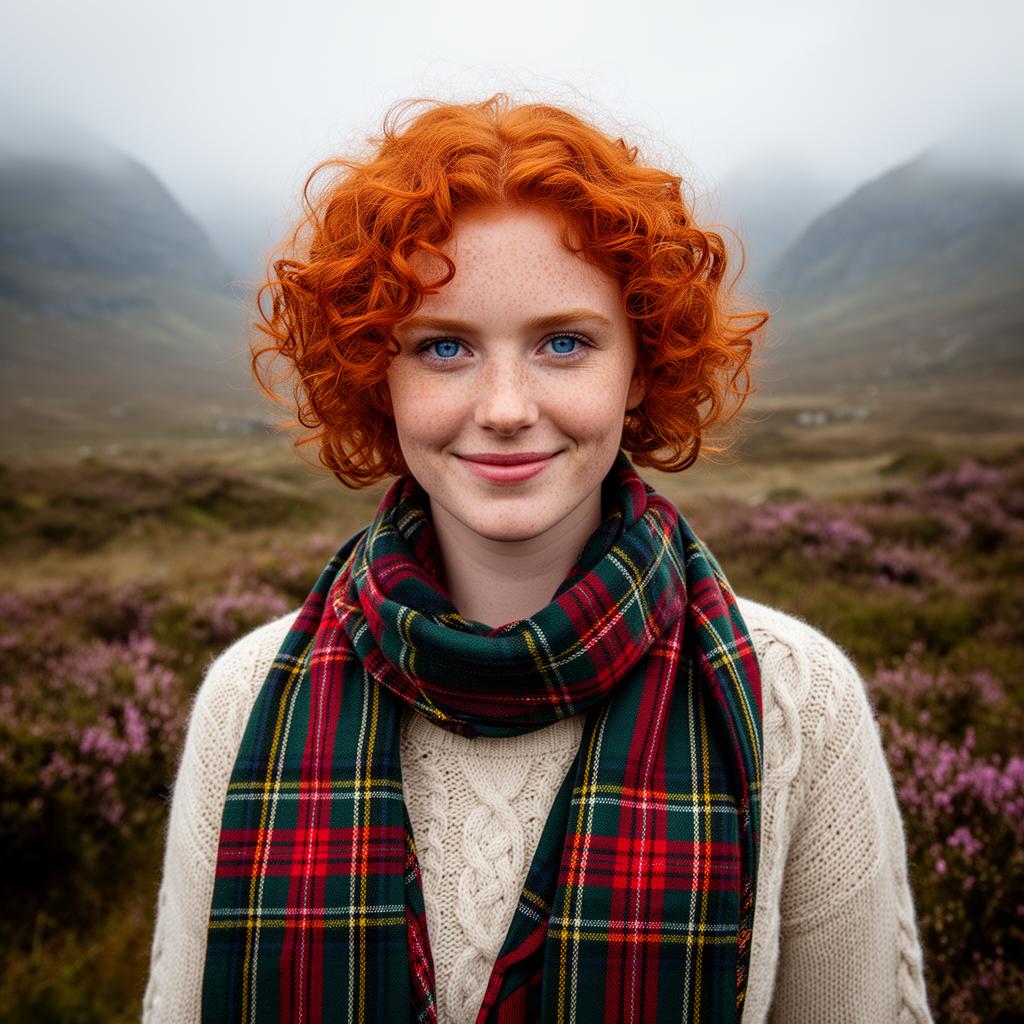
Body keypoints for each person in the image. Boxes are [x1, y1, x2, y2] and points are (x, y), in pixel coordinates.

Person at [143, 94, 933, 1023]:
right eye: (443, 347)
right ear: (374, 375)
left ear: (640, 363)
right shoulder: (248, 700)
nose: (507, 405)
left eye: (565, 342)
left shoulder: (797, 702)